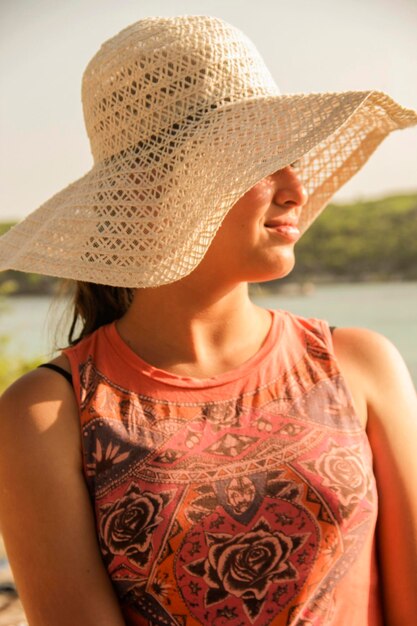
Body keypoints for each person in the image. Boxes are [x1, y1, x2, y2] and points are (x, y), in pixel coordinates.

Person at [0, 15, 416, 626]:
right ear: (155, 190)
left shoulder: (359, 365)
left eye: (291, 159)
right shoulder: (47, 416)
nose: (296, 190)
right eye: (259, 161)